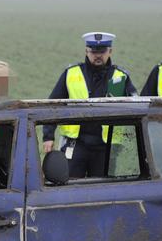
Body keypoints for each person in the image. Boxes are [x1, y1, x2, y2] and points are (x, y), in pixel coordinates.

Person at [42, 32, 137, 178]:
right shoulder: (71, 73)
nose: (98, 55)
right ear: (86, 51)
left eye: (102, 51)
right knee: (70, 185)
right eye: (93, 51)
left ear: (110, 51)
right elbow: (53, 104)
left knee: (102, 189)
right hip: (76, 144)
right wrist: (48, 136)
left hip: (106, 147)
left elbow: (136, 106)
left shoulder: (121, 76)